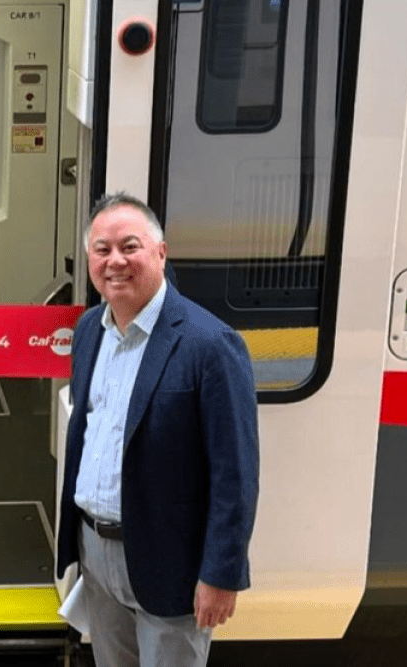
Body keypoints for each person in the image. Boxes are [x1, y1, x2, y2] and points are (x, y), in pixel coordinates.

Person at [56, 193, 259, 667]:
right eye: (101, 250)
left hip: (172, 562)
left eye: (130, 247)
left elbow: (236, 474)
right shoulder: (90, 331)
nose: (115, 262)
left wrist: (222, 574)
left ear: (161, 254)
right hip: (96, 552)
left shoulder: (210, 345)